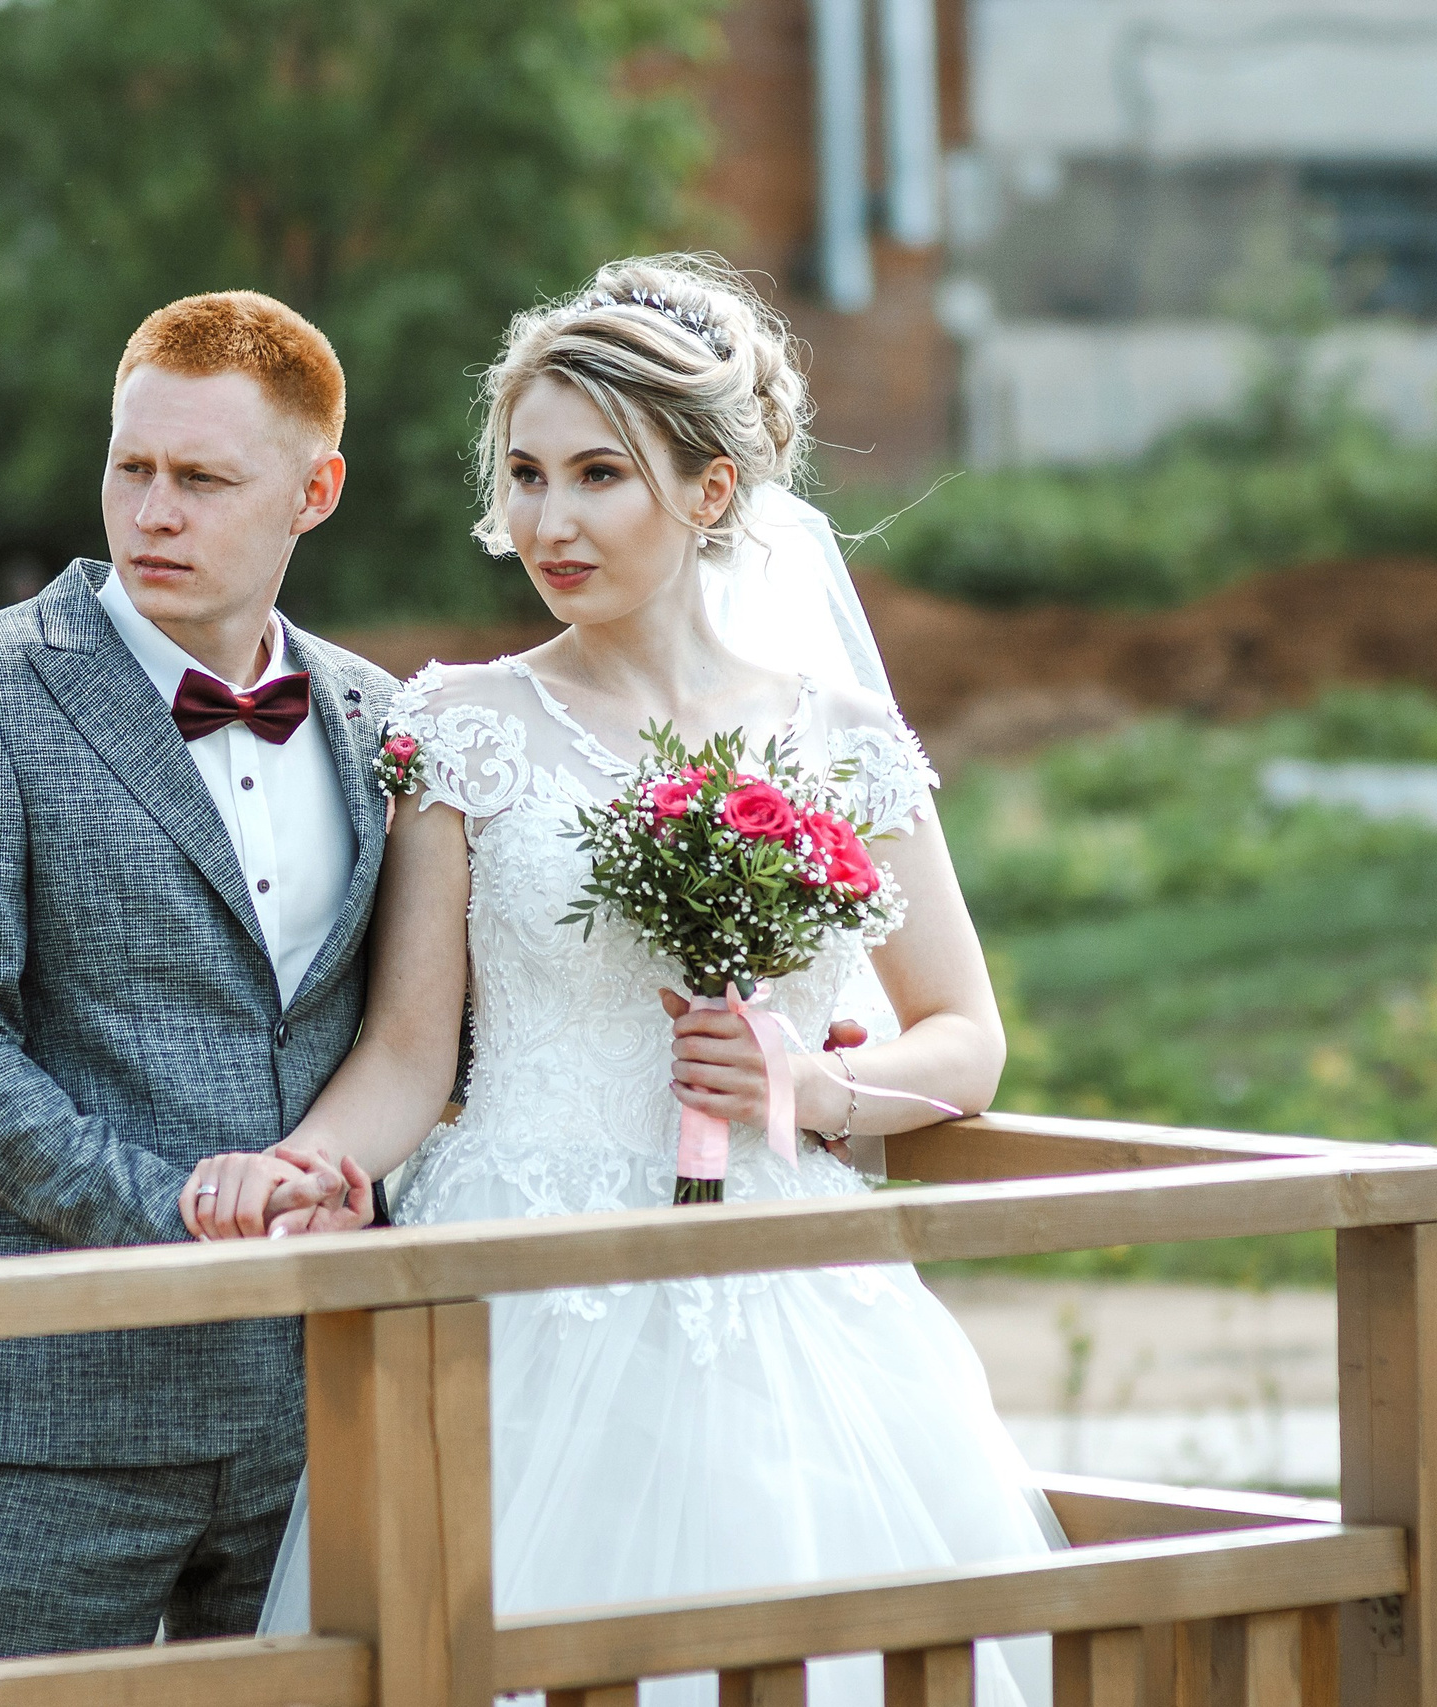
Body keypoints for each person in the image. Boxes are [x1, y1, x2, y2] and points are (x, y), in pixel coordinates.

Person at [187, 254, 1063, 1706]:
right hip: (518, 1283)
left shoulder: (841, 737)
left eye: (599, 475)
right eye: (527, 475)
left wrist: (814, 1087)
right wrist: (301, 1165)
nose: (550, 522)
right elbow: (409, 1055)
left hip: (783, 1285)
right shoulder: (461, 726)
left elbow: (967, 1037)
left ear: (713, 491)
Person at [0, 290, 388, 1662]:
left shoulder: (383, 718)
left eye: (203, 479)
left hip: (320, 1395)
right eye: (131, 467)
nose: (153, 512)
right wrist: (185, 1215)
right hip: (58, 1392)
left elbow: (408, 1028)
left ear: (315, 491)